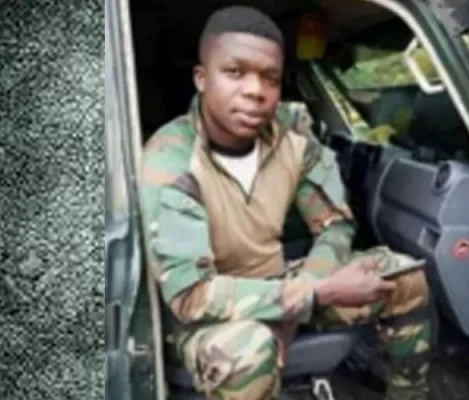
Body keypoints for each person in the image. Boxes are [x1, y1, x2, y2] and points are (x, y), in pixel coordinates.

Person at [139, 6, 433, 400]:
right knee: (246, 350)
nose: (255, 91)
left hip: (281, 280)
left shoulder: (293, 136)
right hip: (207, 312)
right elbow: (192, 296)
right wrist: (313, 297)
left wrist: (303, 293)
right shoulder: (169, 161)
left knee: (402, 276)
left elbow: (334, 224)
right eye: (235, 72)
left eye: (270, 78)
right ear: (202, 79)